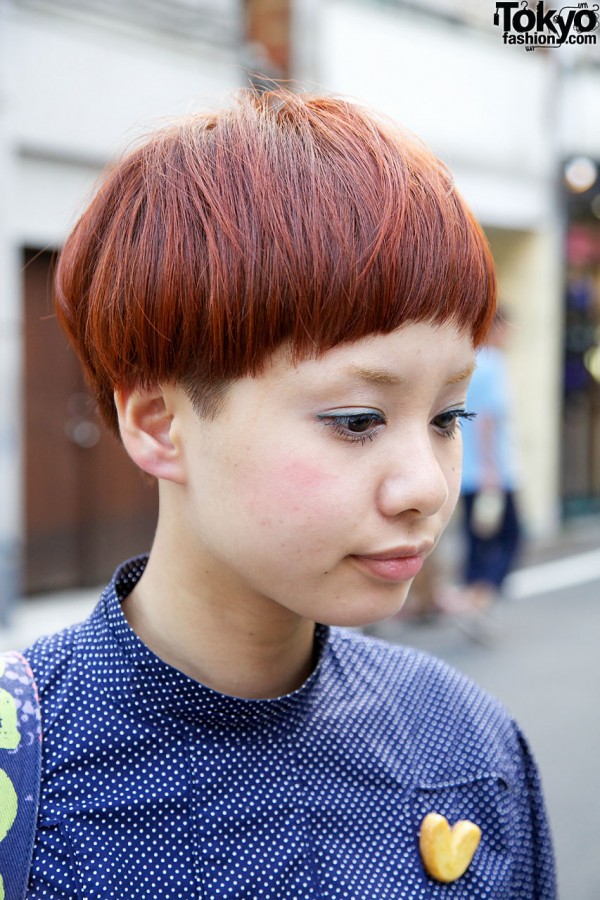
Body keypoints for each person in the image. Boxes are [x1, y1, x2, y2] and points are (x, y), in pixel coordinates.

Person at [21, 89, 555, 897]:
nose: (425, 487)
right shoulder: (21, 770)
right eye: (356, 420)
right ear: (160, 424)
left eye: (449, 416)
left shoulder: (470, 749)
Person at [448, 311, 522, 630]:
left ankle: (471, 594)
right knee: (512, 534)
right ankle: (477, 598)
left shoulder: (470, 361)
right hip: (491, 471)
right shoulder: (492, 363)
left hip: (466, 469)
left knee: (476, 537)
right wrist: (493, 470)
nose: (510, 334)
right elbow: (487, 419)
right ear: (496, 327)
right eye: (507, 327)